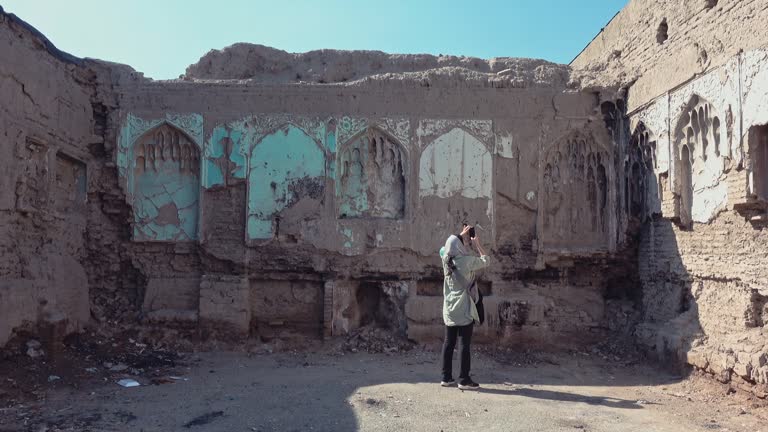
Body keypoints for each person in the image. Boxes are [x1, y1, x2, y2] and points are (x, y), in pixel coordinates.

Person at [439, 223, 490, 390]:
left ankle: (446, 377)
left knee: (448, 343)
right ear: (459, 247)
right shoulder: (467, 261)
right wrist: (476, 244)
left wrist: (459, 236)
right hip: (464, 310)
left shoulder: (445, 259)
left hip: (449, 309)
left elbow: (445, 247)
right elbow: (486, 260)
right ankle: (464, 379)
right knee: (464, 344)